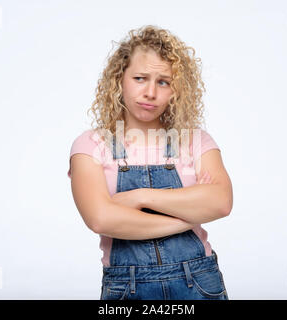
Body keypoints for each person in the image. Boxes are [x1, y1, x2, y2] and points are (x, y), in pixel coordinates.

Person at [67, 25, 233, 300]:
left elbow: (221, 202)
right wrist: (188, 214)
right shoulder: (91, 144)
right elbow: (100, 218)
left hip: (199, 282)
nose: (151, 93)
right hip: (127, 287)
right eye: (140, 78)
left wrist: (138, 197)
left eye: (163, 82)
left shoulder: (195, 141)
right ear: (119, 79)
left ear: (177, 89)